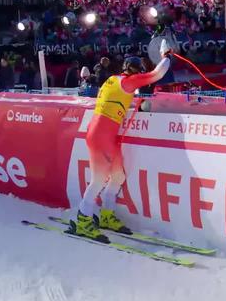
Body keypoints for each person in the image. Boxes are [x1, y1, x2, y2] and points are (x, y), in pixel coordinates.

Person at [71, 41, 173, 243]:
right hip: (102, 135)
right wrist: (166, 55)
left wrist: (138, 103)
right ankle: (82, 220)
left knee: (118, 176)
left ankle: (106, 215)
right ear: (135, 71)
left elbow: (117, 103)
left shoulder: (113, 80)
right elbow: (158, 74)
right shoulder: (127, 82)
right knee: (99, 180)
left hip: (105, 135)